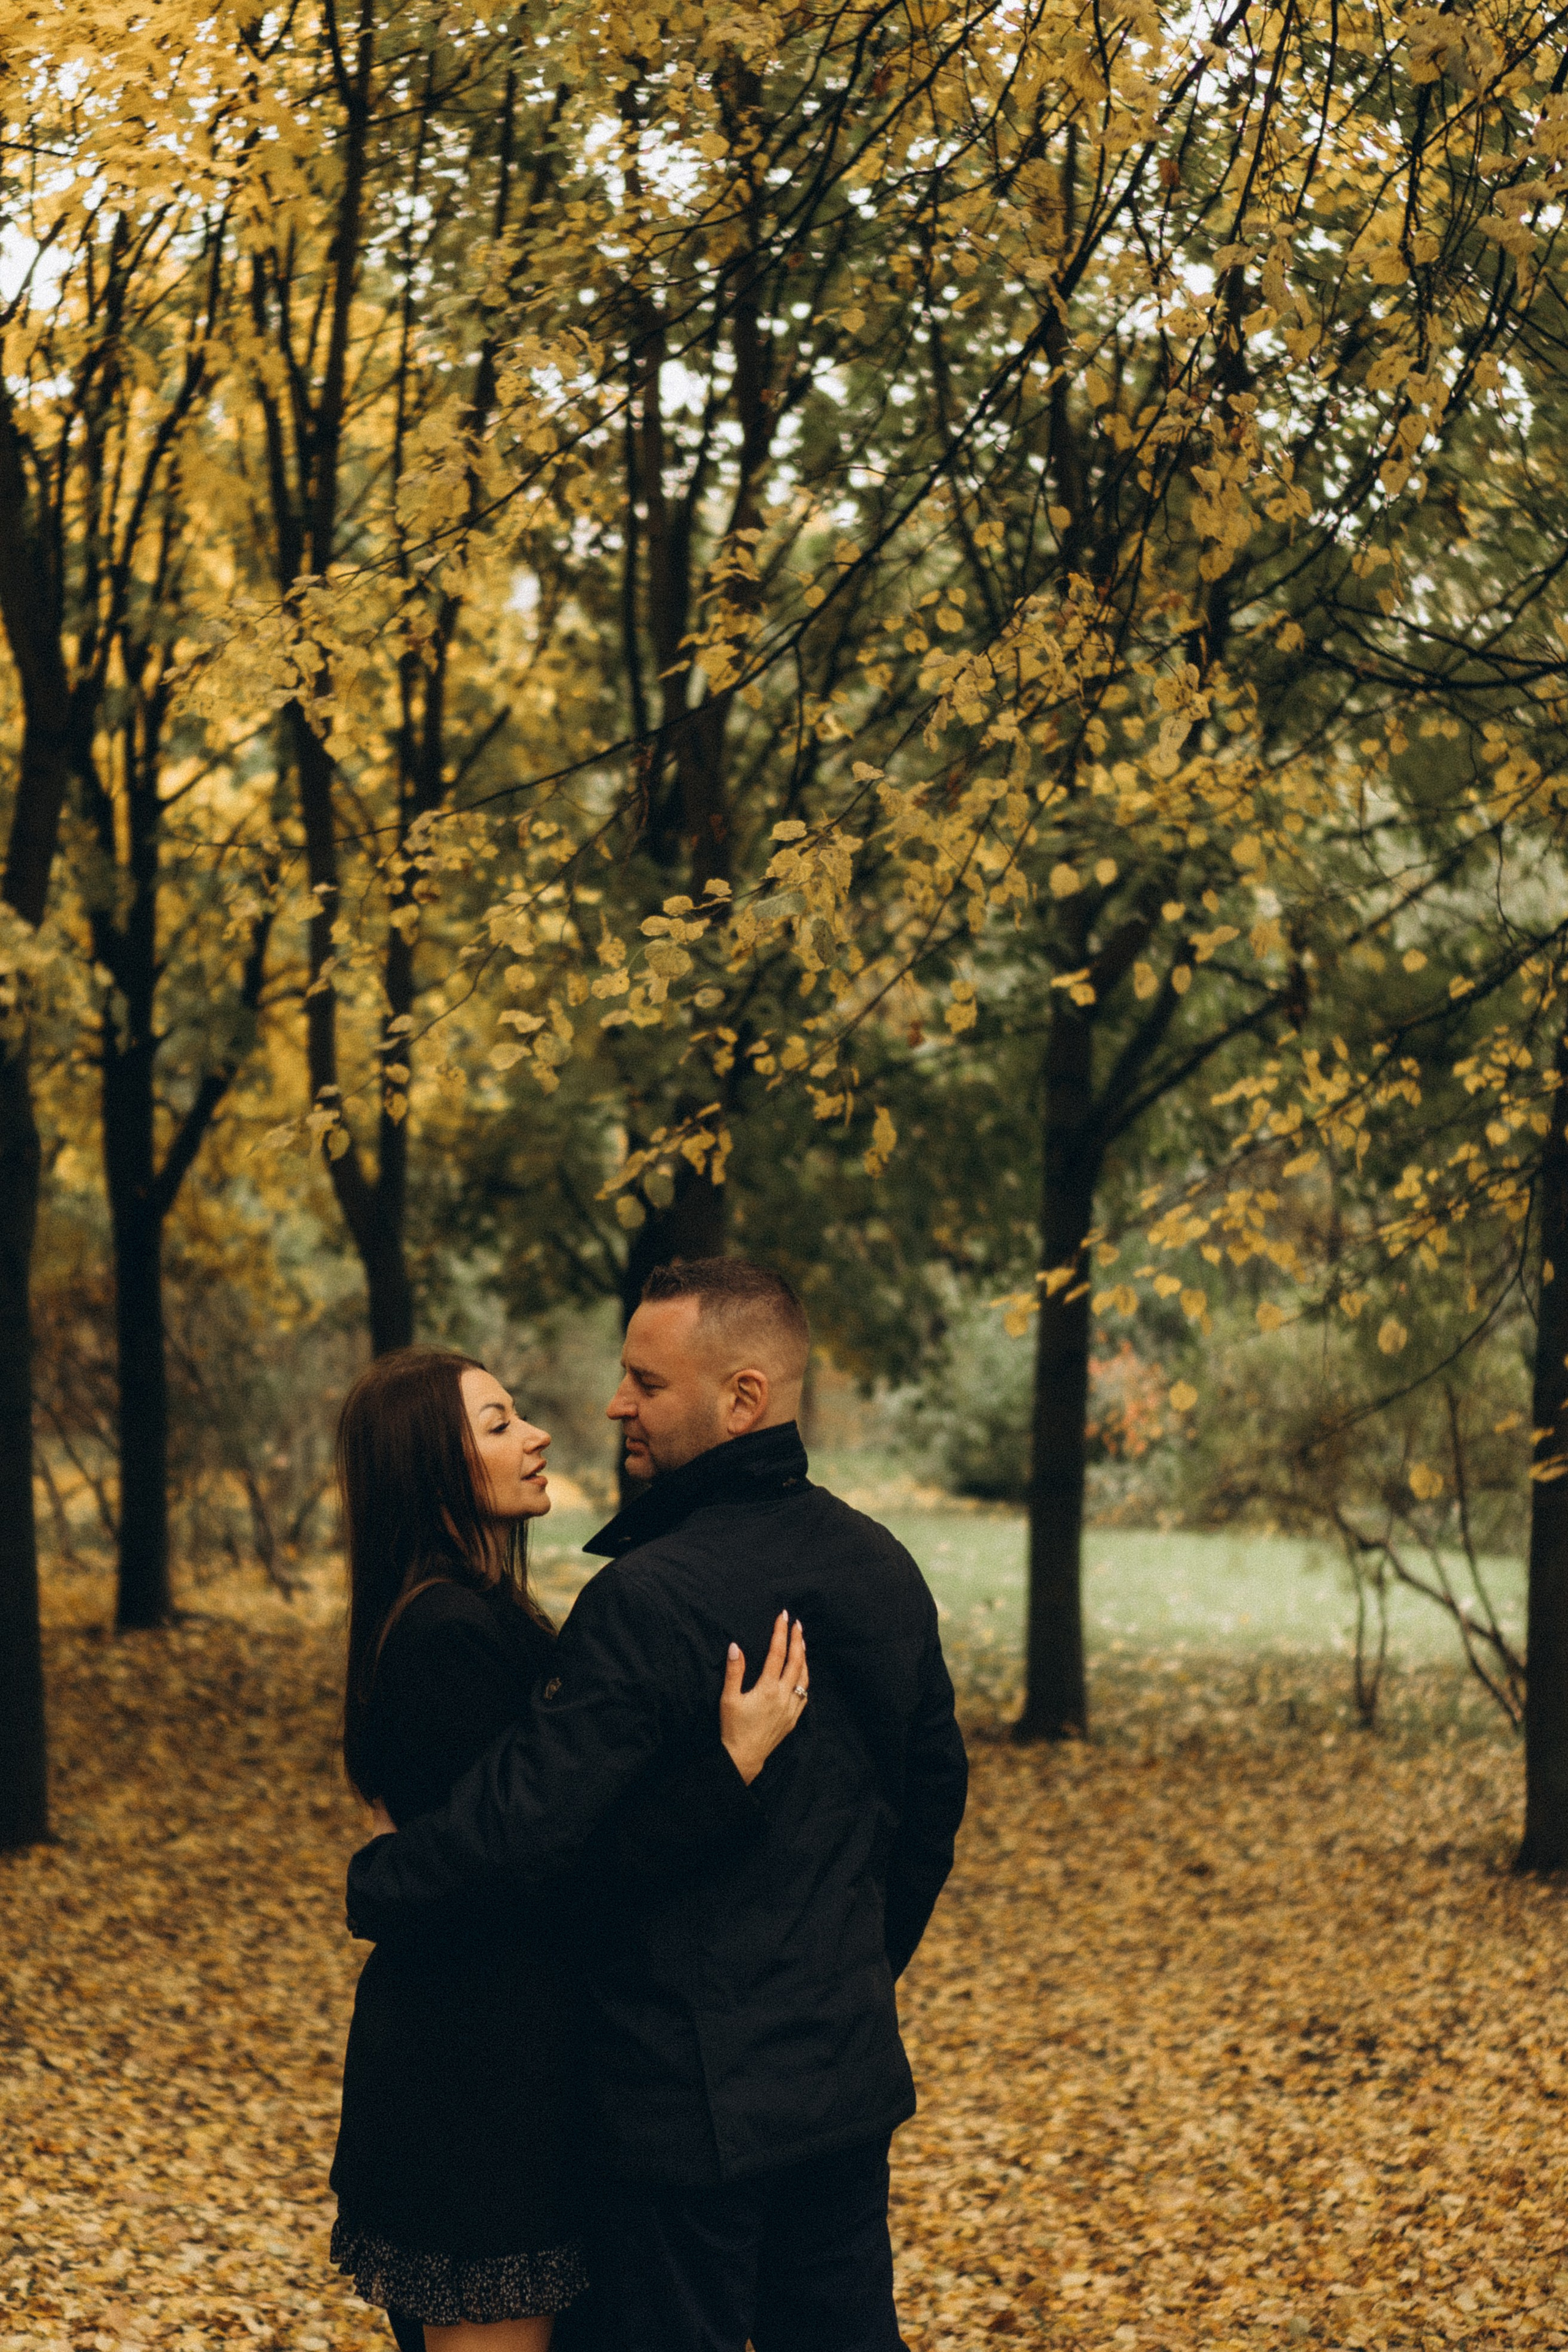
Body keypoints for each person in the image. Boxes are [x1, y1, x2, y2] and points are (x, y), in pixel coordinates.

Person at [347, 1259, 970, 2352]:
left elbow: (526, 1839)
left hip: (678, 2116)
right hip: (836, 2088)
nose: (612, 1404)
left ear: (742, 1398)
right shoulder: (882, 1566)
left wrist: (380, 1878)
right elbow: (929, 1817)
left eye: (647, 1381)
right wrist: (848, 1980)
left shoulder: (644, 1598)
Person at [330, 1344, 809, 2352]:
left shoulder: (464, 1615)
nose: (540, 1434)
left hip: (493, 2062)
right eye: (499, 1424)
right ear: (431, 1466)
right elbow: (532, 1866)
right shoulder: (449, 1634)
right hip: (477, 2082)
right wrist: (724, 1771)